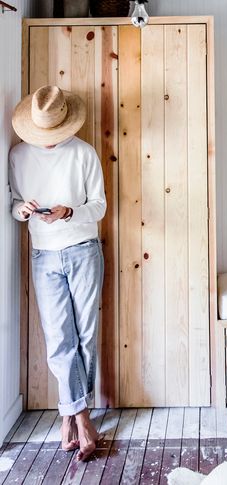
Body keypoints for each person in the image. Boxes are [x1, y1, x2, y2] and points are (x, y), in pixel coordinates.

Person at [8, 85, 106, 461]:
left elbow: (98, 207)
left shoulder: (83, 153)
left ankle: (70, 414)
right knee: (58, 338)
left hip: (83, 250)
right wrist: (24, 210)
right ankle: (80, 418)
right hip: (44, 256)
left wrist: (70, 211)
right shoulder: (17, 156)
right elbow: (15, 204)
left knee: (85, 336)